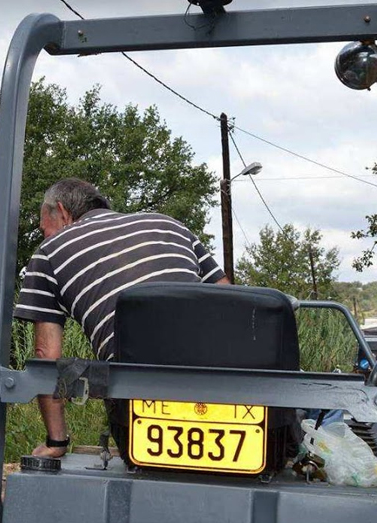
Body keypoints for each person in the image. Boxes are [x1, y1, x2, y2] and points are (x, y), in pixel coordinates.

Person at [14, 178, 229, 461]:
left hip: (139, 400)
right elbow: (227, 295)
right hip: (223, 385)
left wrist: (57, 441)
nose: (45, 237)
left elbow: (46, 356)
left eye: (45, 228)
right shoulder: (170, 225)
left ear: (62, 212)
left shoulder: (49, 254)